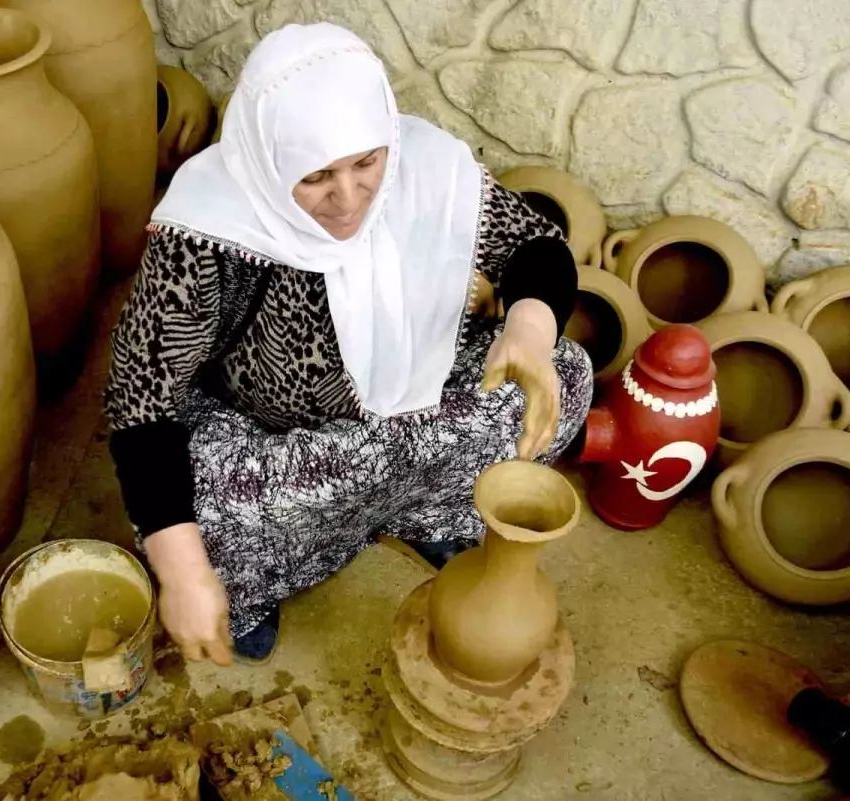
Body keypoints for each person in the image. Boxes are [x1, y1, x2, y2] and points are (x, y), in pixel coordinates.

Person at [104, 23, 591, 667]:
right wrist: (183, 572)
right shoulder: (208, 229)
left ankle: (429, 514)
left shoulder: (425, 168)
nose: (350, 197)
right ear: (267, 162)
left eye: (366, 162)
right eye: (315, 177)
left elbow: (536, 246)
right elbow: (140, 401)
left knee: (564, 372)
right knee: (197, 510)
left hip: (402, 412)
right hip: (269, 436)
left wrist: (527, 327)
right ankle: (246, 587)